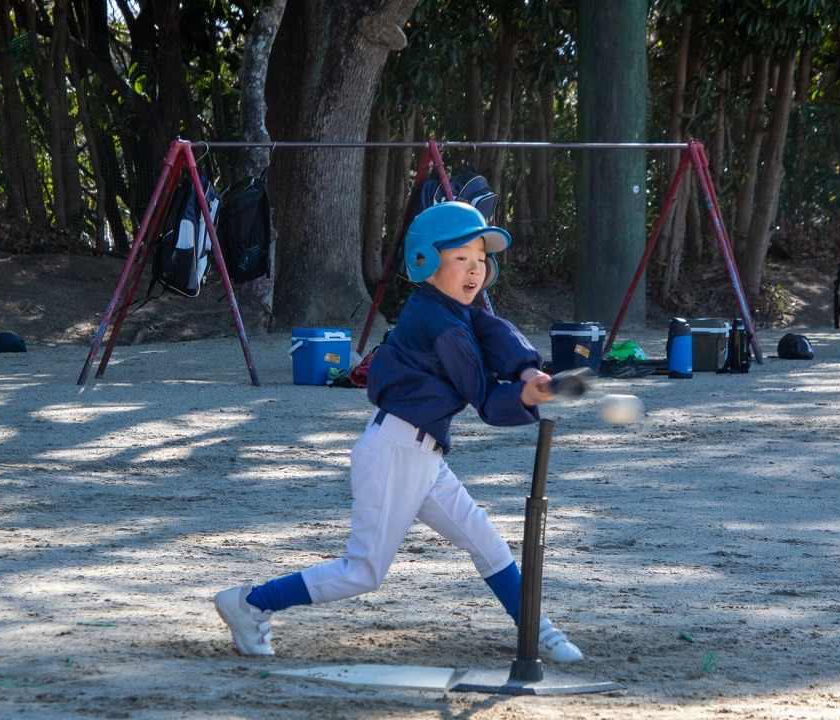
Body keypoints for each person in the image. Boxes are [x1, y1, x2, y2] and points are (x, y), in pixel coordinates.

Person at [215, 201, 583, 663]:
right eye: (460, 258)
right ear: (426, 262)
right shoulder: (438, 322)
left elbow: (493, 330)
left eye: (480, 259)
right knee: (364, 571)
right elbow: (486, 400)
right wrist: (526, 397)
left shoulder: (450, 309)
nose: (475, 269)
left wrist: (529, 370)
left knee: (485, 541)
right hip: (396, 453)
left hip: (421, 456)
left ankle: (536, 628)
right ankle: (251, 602)